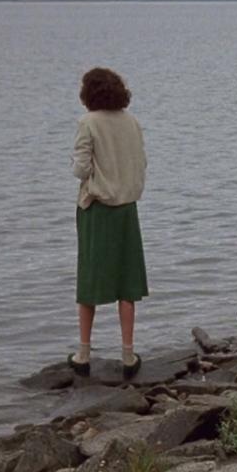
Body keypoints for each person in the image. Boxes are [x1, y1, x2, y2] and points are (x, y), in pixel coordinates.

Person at [68, 67, 149, 379]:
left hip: (98, 208)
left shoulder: (88, 122)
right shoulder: (132, 122)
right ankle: (128, 355)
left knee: (89, 279)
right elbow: (141, 162)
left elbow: (80, 169)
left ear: (89, 94)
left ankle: (84, 353)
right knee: (126, 282)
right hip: (127, 208)